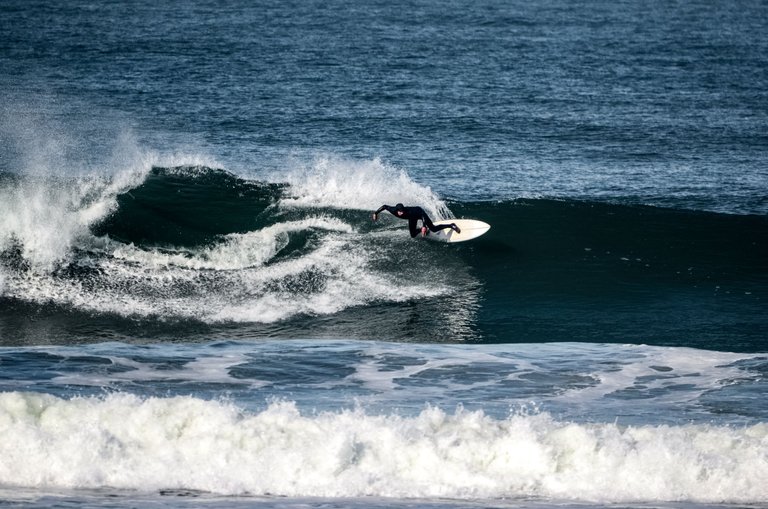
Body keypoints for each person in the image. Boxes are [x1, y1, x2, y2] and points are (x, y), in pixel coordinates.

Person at [372, 203, 460, 238]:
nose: (401, 213)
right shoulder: (393, 209)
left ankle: (451, 225)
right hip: (412, 218)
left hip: (419, 213)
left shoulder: (410, 211)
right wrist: (376, 213)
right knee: (413, 235)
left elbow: (422, 216)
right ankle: (426, 231)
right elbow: (384, 206)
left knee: (433, 228)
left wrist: (424, 226)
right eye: (400, 212)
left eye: (402, 211)